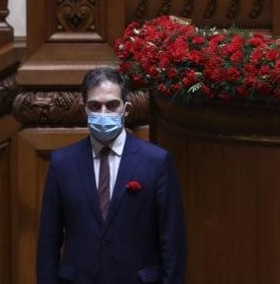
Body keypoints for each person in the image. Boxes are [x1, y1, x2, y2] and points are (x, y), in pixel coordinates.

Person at [36, 67, 186, 284]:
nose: (103, 113)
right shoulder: (62, 163)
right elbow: (48, 243)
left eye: (112, 105)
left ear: (126, 109)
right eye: (95, 106)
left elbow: (172, 243)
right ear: (84, 109)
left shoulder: (156, 162)